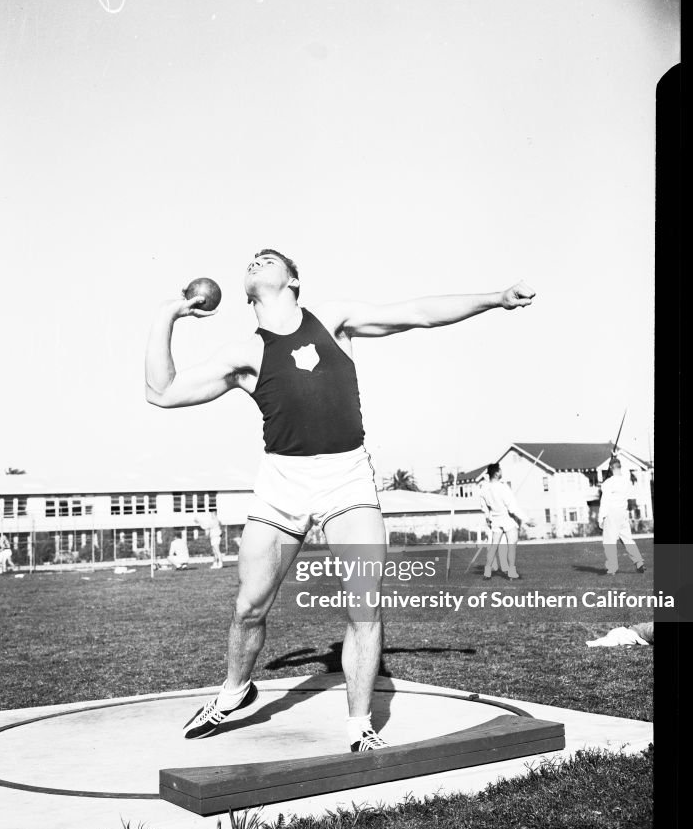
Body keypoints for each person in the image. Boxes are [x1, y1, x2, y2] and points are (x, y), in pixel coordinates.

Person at [145, 249, 535, 751]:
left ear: (294, 279)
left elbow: (415, 313)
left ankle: (359, 727)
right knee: (249, 607)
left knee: (364, 607)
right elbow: (161, 392)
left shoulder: (332, 321)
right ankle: (234, 692)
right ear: (245, 293)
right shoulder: (244, 354)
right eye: (253, 260)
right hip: (283, 483)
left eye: (270, 258)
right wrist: (167, 315)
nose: (257, 260)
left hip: (346, 479)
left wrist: (495, 298)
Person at [479, 463, 532, 580]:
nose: (502, 472)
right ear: (497, 473)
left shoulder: (484, 489)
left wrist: (488, 518)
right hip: (507, 519)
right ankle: (512, 572)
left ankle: (487, 571)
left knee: (493, 546)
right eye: (501, 470)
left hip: (495, 520)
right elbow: (512, 508)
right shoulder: (503, 487)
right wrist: (527, 520)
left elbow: (484, 507)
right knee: (511, 546)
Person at [599, 457, 645, 575]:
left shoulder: (608, 483)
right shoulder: (626, 481)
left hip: (612, 513)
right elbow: (625, 473)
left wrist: (601, 517)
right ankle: (639, 562)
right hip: (623, 513)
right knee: (627, 539)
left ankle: (612, 568)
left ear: (610, 468)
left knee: (609, 541)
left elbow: (604, 501)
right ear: (620, 467)